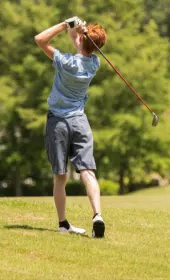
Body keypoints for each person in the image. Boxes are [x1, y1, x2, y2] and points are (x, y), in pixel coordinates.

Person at [34, 17, 107, 238]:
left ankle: (63, 223)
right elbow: (80, 44)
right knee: (87, 170)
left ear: (83, 41)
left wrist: (66, 25)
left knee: (60, 176)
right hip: (79, 121)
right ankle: (97, 215)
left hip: (58, 121)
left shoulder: (65, 62)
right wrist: (80, 32)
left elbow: (40, 40)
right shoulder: (95, 64)